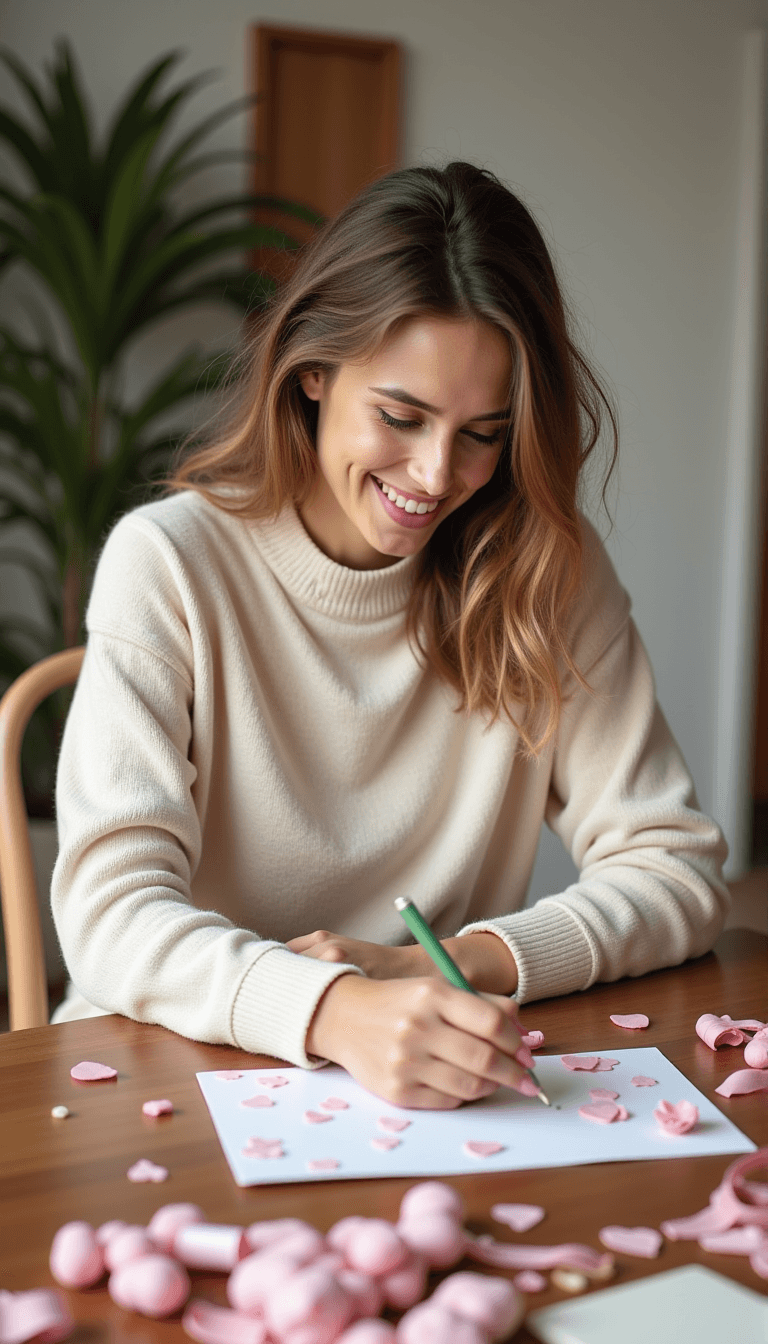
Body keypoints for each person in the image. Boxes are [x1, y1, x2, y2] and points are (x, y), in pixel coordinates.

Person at [50, 161, 728, 1109]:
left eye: (484, 433)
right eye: (401, 416)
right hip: (159, 1080)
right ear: (313, 370)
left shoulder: (544, 575)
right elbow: (110, 916)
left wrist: (437, 967)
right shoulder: (169, 563)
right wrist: (336, 1008)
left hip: (430, 1086)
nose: (437, 473)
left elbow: (675, 866)